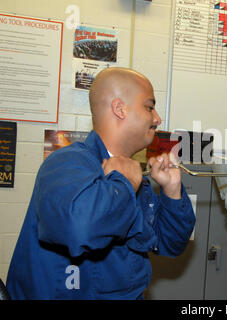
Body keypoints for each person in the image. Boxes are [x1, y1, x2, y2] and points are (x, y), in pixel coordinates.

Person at [6, 67, 196, 299]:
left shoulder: (135, 180)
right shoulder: (67, 163)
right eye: (149, 107)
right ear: (119, 109)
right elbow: (79, 229)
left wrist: (172, 191)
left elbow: (169, 244)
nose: (157, 118)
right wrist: (123, 182)